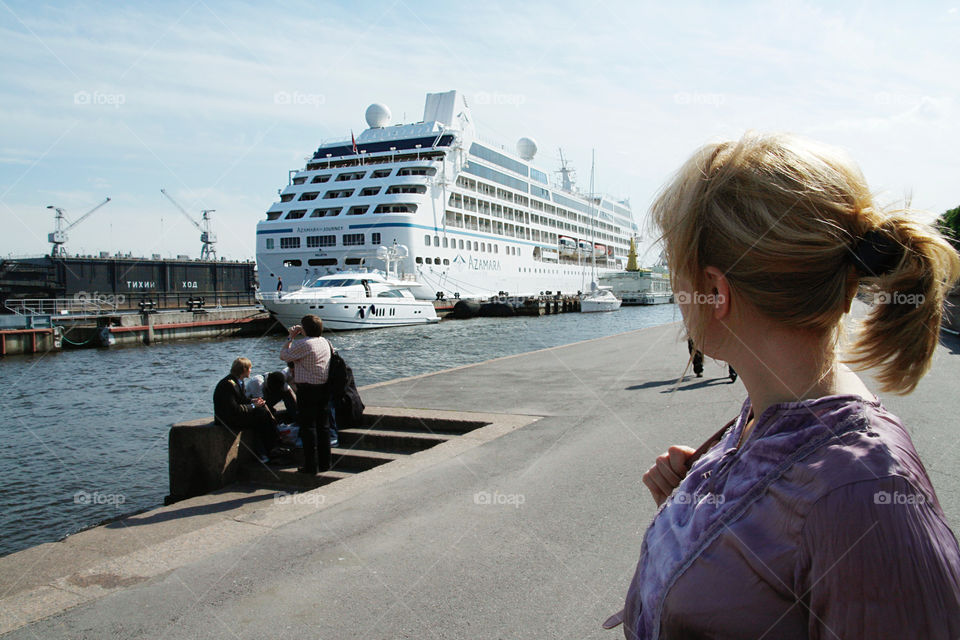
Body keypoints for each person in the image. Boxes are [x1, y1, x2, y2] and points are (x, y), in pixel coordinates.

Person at [613, 133, 960, 638]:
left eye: (675, 271)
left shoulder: (863, 495)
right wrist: (695, 514)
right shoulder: (771, 413)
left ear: (715, 292)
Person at [280, 314, 332, 474]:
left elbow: (284, 355)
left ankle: (311, 466)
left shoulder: (304, 343)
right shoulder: (325, 342)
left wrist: (290, 336)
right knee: (323, 426)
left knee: (308, 427)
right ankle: (325, 463)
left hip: (307, 390)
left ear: (306, 329)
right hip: (323, 388)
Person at [213, 357, 278, 463]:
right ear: (244, 370)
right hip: (227, 419)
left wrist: (253, 401)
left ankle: (272, 446)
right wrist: (253, 406)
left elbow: (242, 399)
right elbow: (235, 408)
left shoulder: (238, 381)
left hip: (235, 415)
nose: (251, 370)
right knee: (260, 417)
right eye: (250, 368)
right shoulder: (228, 385)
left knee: (263, 412)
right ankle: (262, 452)